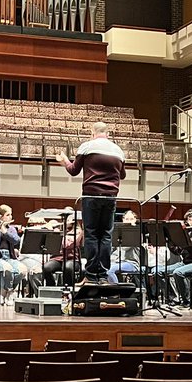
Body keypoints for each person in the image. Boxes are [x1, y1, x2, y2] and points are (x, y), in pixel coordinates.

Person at [56, 121, 126, 286]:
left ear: (92, 132)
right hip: (110, 198)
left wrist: (65, 161)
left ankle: (91, 277)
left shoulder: (87, 147)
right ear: (107, 133)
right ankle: (103, 276)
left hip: (91, 196)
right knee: (106, 236)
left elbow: (73, 170)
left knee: (92, 235)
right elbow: (122, 175)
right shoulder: (118, 150)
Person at [165, 208, 192, 305]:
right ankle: (173, 297)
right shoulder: (189, 233)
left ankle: (186, 300)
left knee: (178, 273)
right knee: (158, 271)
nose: (190, 222)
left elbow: (190, 245)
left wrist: (178, 237)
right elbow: (178, 251)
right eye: (189, 219)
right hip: (185, 263)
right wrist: (170, 241)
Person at [107, 209, 142, 284]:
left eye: (131, 219)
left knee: (110, 270)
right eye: (126, 219)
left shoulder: (137, 233)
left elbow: (126, 247)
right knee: (102, 268)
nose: (129, 221)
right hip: (117, 261)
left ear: (135, 220)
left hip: (131, 263)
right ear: (123, 220)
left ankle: (116, 292)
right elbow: (112, 249)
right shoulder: (118, 232)